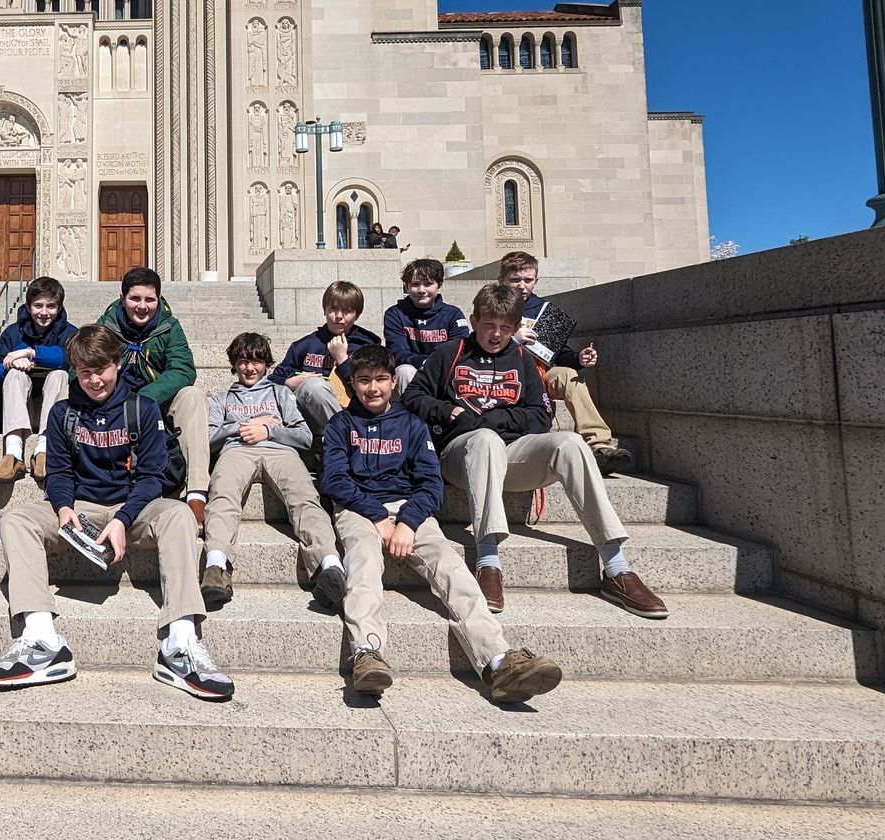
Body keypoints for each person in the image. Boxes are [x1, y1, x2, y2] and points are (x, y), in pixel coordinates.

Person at [0, 325, 233, 700]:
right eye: (85, 372)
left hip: (134, 508)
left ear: (116, 364)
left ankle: (180, 643)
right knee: (17, 519)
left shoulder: (142, 409)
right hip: (82, 507)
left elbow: (152, 477)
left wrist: (122, 519)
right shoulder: (63, 413)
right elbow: (60, 473)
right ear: (75, 372)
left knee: (179, 515)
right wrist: (63, 509)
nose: (94, 380)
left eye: (101, 369)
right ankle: (42, 640)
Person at [403, 283, 668, 620]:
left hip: (512, 453)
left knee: (570, 443)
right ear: (473, 321)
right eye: (489, 326)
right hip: (460, 455)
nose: (496, 335)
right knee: (484, 439)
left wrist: (494, 418)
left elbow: (541, 416)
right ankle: (488, 560)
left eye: (504, 328)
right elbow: (412, 397)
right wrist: (448, 411)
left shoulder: (522, 359)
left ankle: (616, 567)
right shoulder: (450, 353)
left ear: (515, 329)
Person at [320, 343, 565, 702]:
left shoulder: (412, 425)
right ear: (353, 383)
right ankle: (366, 653)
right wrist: (376, 516)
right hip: (358, 508)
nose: (373, 388)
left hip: (410, 508)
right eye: (364, 380)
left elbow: (431, 485)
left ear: (393, 383)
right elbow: (333, 480)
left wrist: (407, 522)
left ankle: (498, 660)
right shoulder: (342, 424)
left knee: (453, 568)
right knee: (363, 562)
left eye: (382, 380)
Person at [200, 332, 343, 610]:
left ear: (266, 363)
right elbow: (208, 437)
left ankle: (330, 565)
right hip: (236, 451)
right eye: (242, 361)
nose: (249, 368)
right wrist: (244, 426)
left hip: (280, 451)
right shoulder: (221, 398)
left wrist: (269, 429)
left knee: (304, 498)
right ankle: (216, 566)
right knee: (222, 495)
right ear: (234, 364)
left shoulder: (281, 393)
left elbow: (304, 436)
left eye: (255, 361)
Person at [497, 250, 633, 474]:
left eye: (528, 280)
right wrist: (513, 340)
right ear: (502, 280)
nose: (522, 285)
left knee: (570, 376)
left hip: (541, 372)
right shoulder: (492, 304)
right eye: (515, 279)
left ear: (536, 281)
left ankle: (599, 446)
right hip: (501, 373)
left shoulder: (545, 311)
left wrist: (579, 358)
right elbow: (480, 343)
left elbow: (561, 353)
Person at [95, 267, 210, 523]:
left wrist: (142, 400)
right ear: (122, 298)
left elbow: (182, 370)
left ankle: (196, 495)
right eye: (135, 299)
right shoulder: (106, 327)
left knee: (193, 396)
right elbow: (81, 364)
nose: (142, 306)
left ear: (159, 298)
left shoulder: (169, 327)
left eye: (150, 299)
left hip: (155, 401)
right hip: (112, 403)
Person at [0, 276, 76, 482]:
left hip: (52, 410)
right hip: (19, 409)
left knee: (60, 374)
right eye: (38, 306)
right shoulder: (12, 333)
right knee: (15, 374)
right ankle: (13, 453)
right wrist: (8, 364)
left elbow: (72, 359)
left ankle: (43, 451)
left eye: (51, 306)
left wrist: (31, 353)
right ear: (28, 307)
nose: (44, 312)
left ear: (59, 307)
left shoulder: (70, 332)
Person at [273, 280, 383, 437]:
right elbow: (272, 379)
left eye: (347, 311)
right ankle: (347, 438)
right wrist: (287, 382)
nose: (338, 316)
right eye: (333, 309)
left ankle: (344, 436)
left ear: (357, 314)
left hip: (353, 410)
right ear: (324, 310)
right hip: (309, 414)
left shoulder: (367, 346)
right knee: (313, 385)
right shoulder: (305, 345)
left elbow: (372, 387)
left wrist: (343, 359)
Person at [382, 257, 469, 393]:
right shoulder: (395, 314)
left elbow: (460, 351)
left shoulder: (453, 314)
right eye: (415, 284)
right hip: (412, 371)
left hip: (444, 371)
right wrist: (423, 362)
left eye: (428, 284)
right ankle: (413, 413)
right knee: (404, 370)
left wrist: (435, 363)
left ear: (439, 285)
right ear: (407, 286)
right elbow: (396, 353)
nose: (421, 290)